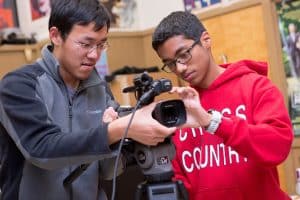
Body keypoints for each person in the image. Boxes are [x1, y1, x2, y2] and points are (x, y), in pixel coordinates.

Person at [0, 1, 176, 199]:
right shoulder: (19, 85)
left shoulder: (100, 89)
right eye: (85, 44)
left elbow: (109, 171)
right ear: (56, 35)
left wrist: (123, 138)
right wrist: (113, 131)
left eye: (101, 44)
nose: (94, 55)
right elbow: (43, 149)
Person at [151, 11, 294, 200]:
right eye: (170, 64)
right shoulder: (180, 110)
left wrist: (213, 122)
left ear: (206, 40)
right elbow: (178, 180)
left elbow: (278, 147)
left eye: (184, 55)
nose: (180, 68)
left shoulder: (256, 87)